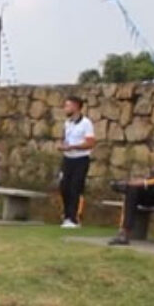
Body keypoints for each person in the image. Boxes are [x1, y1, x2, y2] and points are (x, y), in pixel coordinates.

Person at [58, 96, 96, 229]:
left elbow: (90, 143)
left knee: (75, 188)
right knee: (64, 187)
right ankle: (67, 215)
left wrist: (73, 147)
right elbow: (65, 138)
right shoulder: (67, 123)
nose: (65, 109)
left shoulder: (86, 123)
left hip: (80, 159)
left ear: (75, 106)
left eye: (68, 106)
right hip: (67, 159)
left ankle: (74, 218)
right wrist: (63, 145)